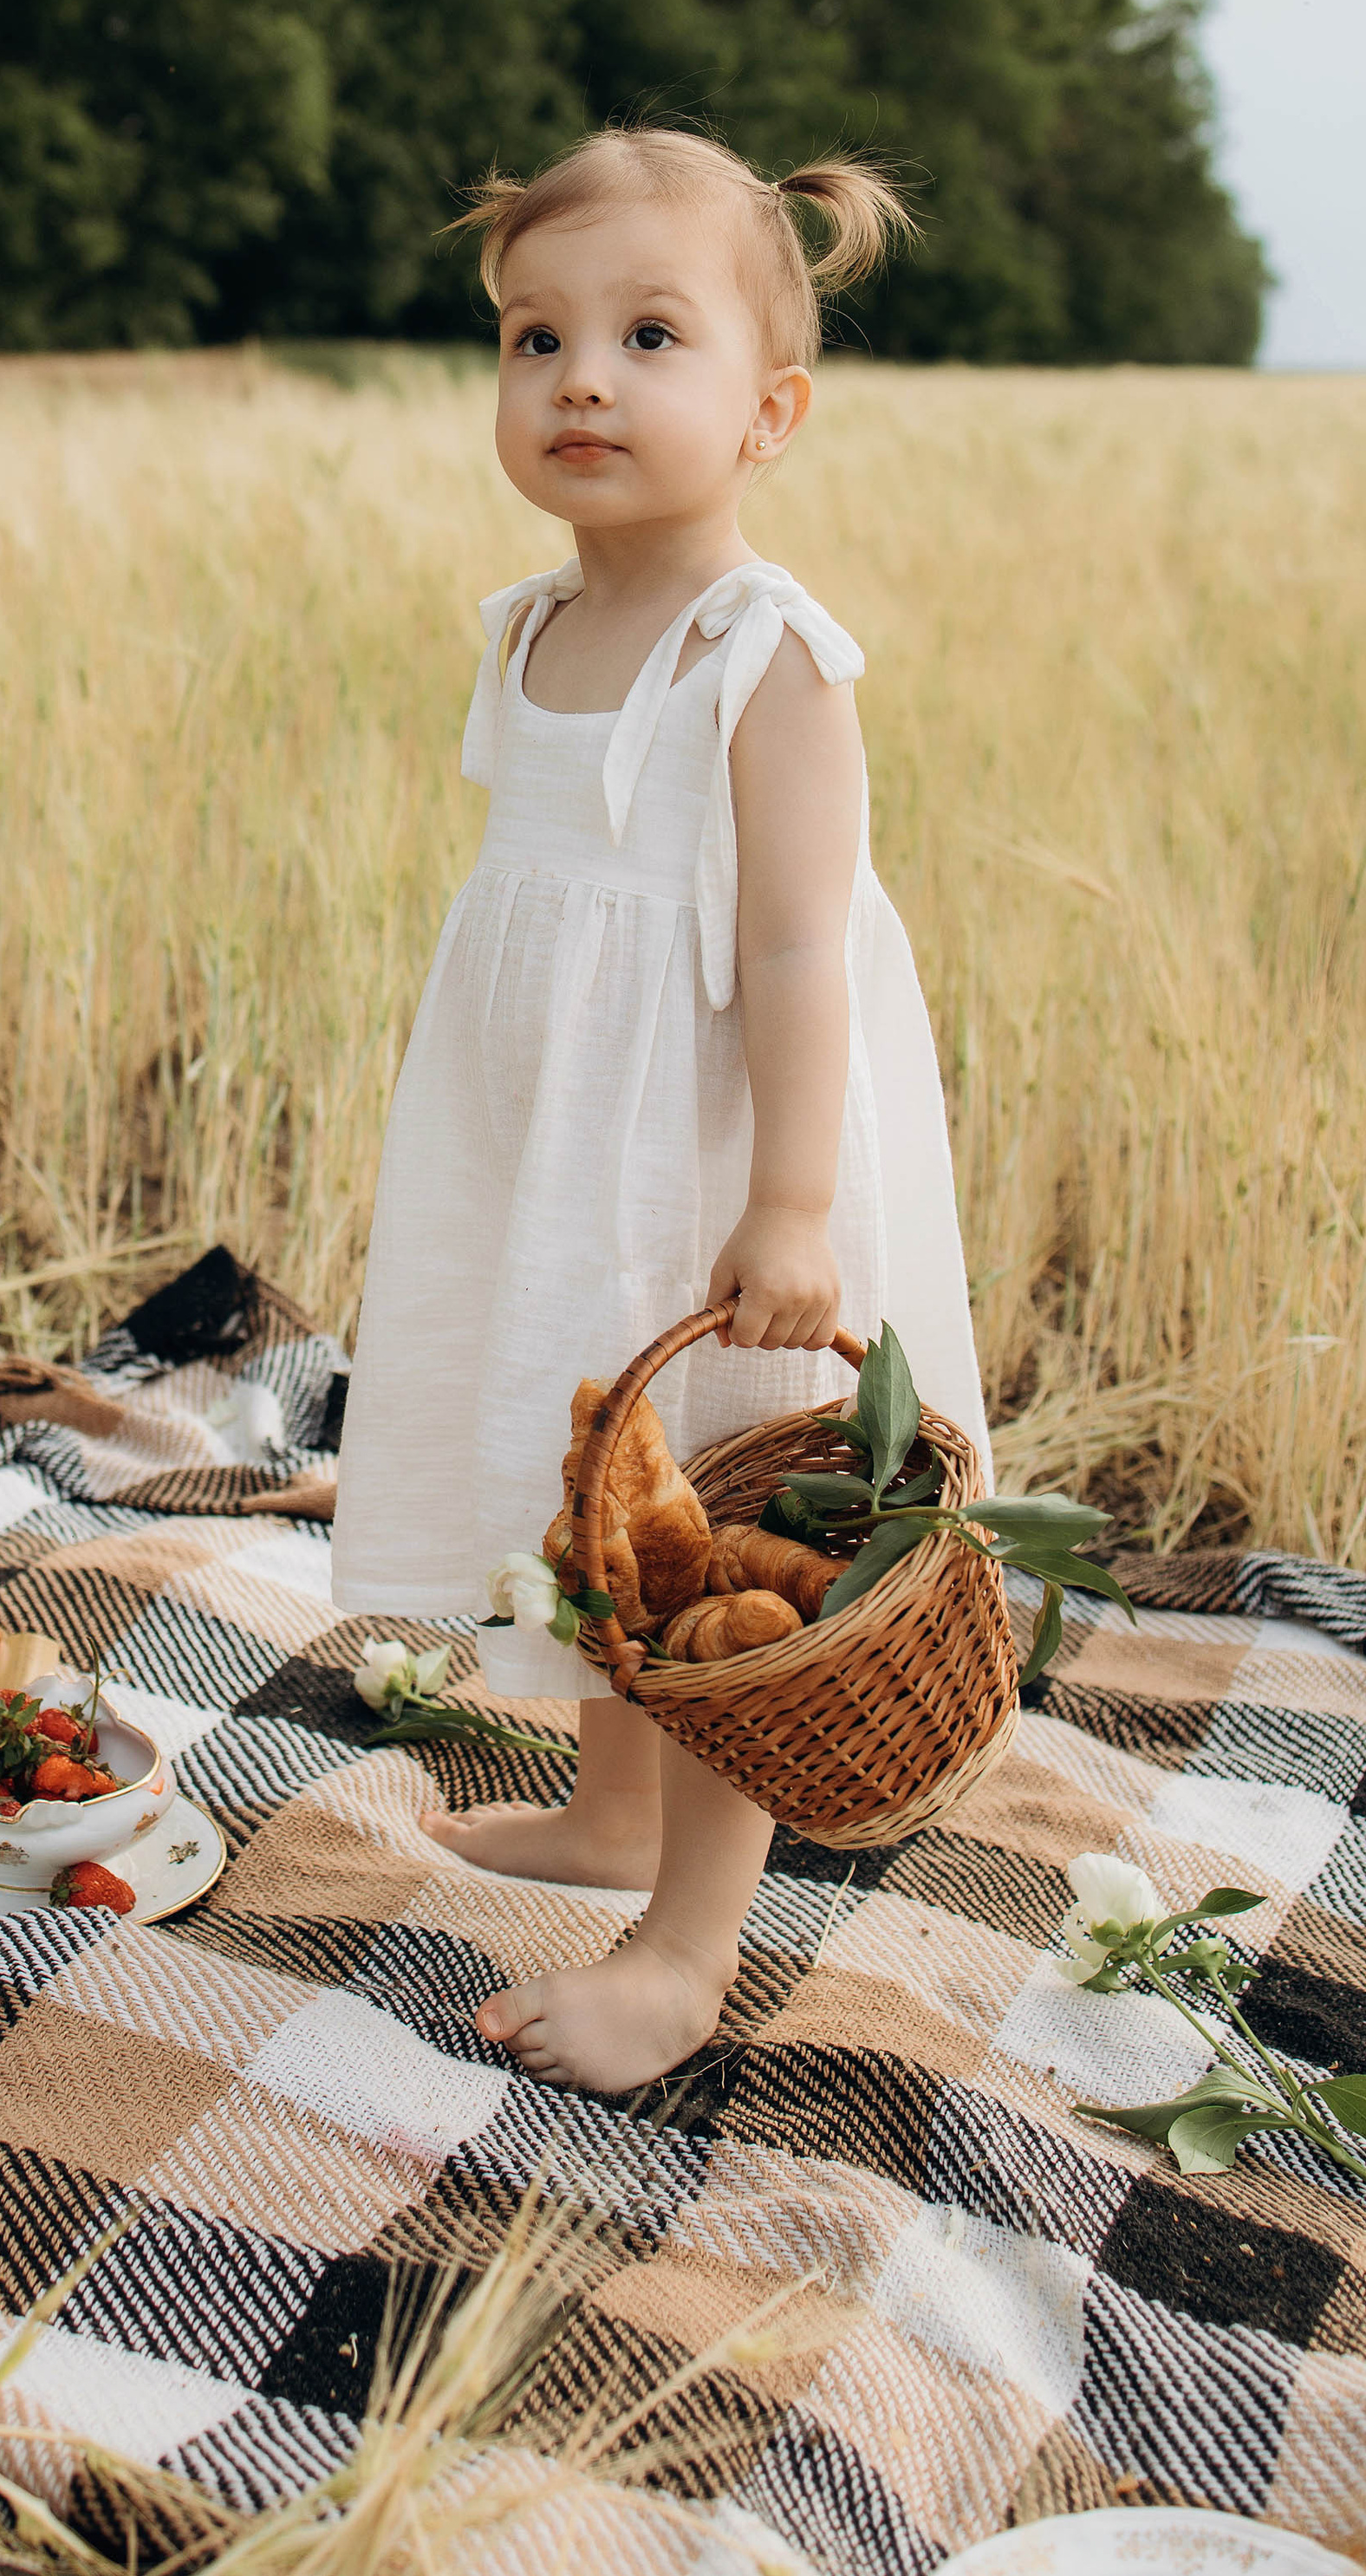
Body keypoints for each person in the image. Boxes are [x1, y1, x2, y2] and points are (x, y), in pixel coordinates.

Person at [328, 124, 990, 2092]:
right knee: (600, 1460)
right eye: (533, 340)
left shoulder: (761, 656)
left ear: (768, 409)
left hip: (719, 1151)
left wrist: (789, 1207)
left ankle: (690, 1936)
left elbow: (795, 956)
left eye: (644, 335)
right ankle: (611, 1811)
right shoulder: (527, 633)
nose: (578, 381)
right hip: (560, 1141)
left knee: (713, 1505)